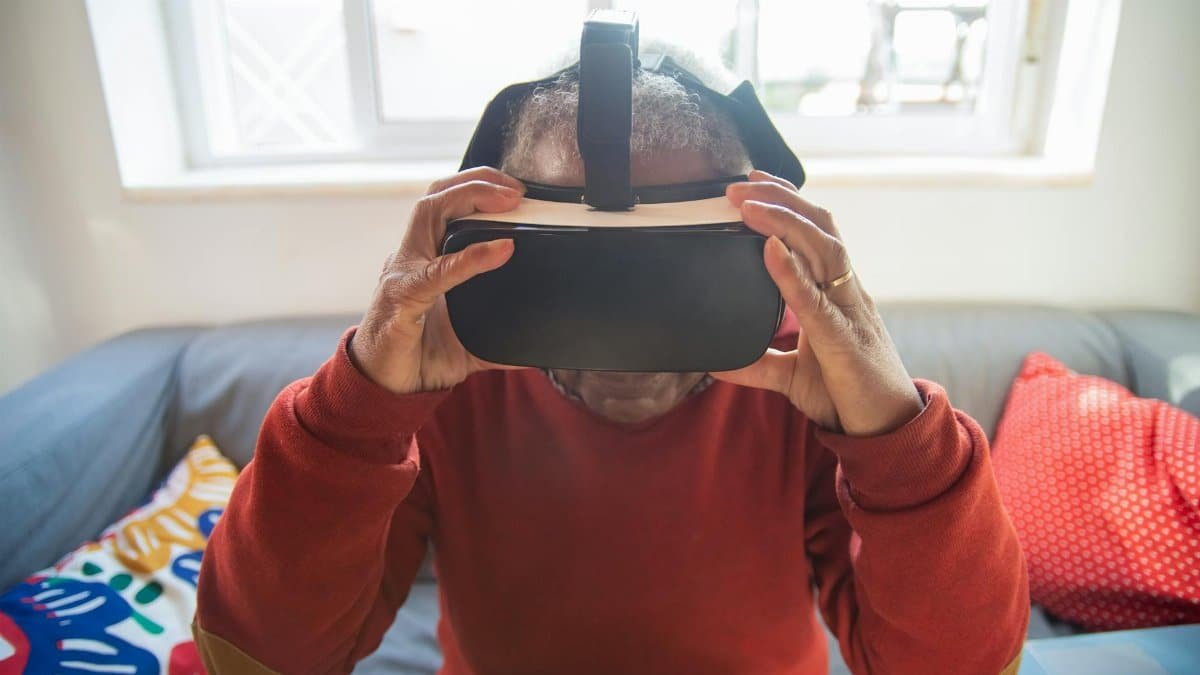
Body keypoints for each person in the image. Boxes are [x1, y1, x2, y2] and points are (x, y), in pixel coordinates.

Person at [193, 53, 1028, 674]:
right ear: (496, 243)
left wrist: (896, 437)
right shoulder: (445, 376)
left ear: (756, 251)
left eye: (669, 273)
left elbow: (957, 662)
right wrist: (359, 408)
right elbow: (258, 654)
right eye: (581, 268)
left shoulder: (796, 376)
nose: (624, 340)